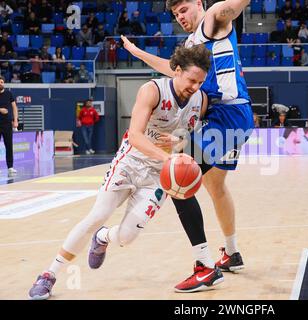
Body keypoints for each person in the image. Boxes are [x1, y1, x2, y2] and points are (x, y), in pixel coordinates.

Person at [28, 45, 213, 300]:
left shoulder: (201, 100)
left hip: (158, 177)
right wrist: (169, 158)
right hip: (130, 163)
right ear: (177, 71)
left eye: (201, 82)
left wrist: (180, 155)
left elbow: (184, 137)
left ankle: (103, 237)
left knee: (127, 237)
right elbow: (135, 135)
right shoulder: (152, 90)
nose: (195, 86)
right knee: (98, 215)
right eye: (192, 80)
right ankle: (49, 274)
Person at [121, 0, 253, 293]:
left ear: (198, 4)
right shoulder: (193, 44)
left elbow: (223, 10)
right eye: (175, 14)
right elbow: (172, 70)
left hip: (226, 116)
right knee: (215, 185)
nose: (180, 17)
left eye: (183, 10)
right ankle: (231, 253)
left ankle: (205, 268)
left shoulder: (211, 23)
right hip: (228, 118)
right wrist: (136, 52)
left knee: (179, 178)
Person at [0, 76, 18, 175]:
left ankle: (10, 167)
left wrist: (15, 120)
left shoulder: (8, 93)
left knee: (9, 146)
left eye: (2, 82)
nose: (1, 84)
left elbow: (14, 107)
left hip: (7, 124)